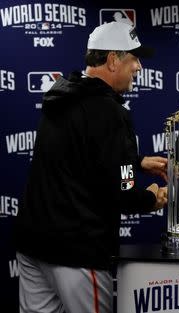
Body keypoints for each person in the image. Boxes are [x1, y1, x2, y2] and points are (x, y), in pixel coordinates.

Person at [14, 21, 168, 313]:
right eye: (134, 58)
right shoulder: (110, 111)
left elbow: (78, 159)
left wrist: (136, 161)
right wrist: (150, 197)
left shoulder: (63, 96)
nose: (138, 67)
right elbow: (122, 189)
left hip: (34, 244)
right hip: (77, 251)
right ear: (112, 60)